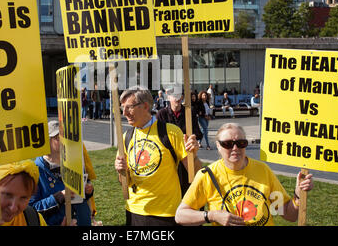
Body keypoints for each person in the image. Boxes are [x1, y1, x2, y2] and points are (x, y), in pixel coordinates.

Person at [175, 123, 314, 226]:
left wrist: (298, 196)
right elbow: (180, 216)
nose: (235, 148)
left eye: (241, 143)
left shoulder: (263, 170)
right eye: (228, 144)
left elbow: (288, 214)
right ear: (218, 146)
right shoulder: (207, 175)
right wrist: (212, 215)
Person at [114, 86, 201, 226]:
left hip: (165, 213)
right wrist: (121, 171)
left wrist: (194, 155)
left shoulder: (170, 132)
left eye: (129, 107)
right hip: (134, 211)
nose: (124, 113)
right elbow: (125, 181)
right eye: (122, 108)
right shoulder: (125, 137)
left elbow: (195, 173)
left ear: (145, 106)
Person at [30, 120, 94, 226]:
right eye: (57, 137)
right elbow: (32, 210)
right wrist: (59, 196)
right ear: (47, 141)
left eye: (65, 136)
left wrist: (88, 191)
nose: (63, 140)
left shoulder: (75, 162)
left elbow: (83, 193)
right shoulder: (35, 170)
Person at [156, 87, 203, 196]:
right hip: (170, 158)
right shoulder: (161, 114)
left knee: (191, 187)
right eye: (174, 96)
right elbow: (159, 136)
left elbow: (198, 132)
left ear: (182, 97)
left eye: (179, 96)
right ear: (168, 97)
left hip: (187, 155)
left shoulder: (188, 112)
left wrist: (193, 138)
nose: (177, 99)